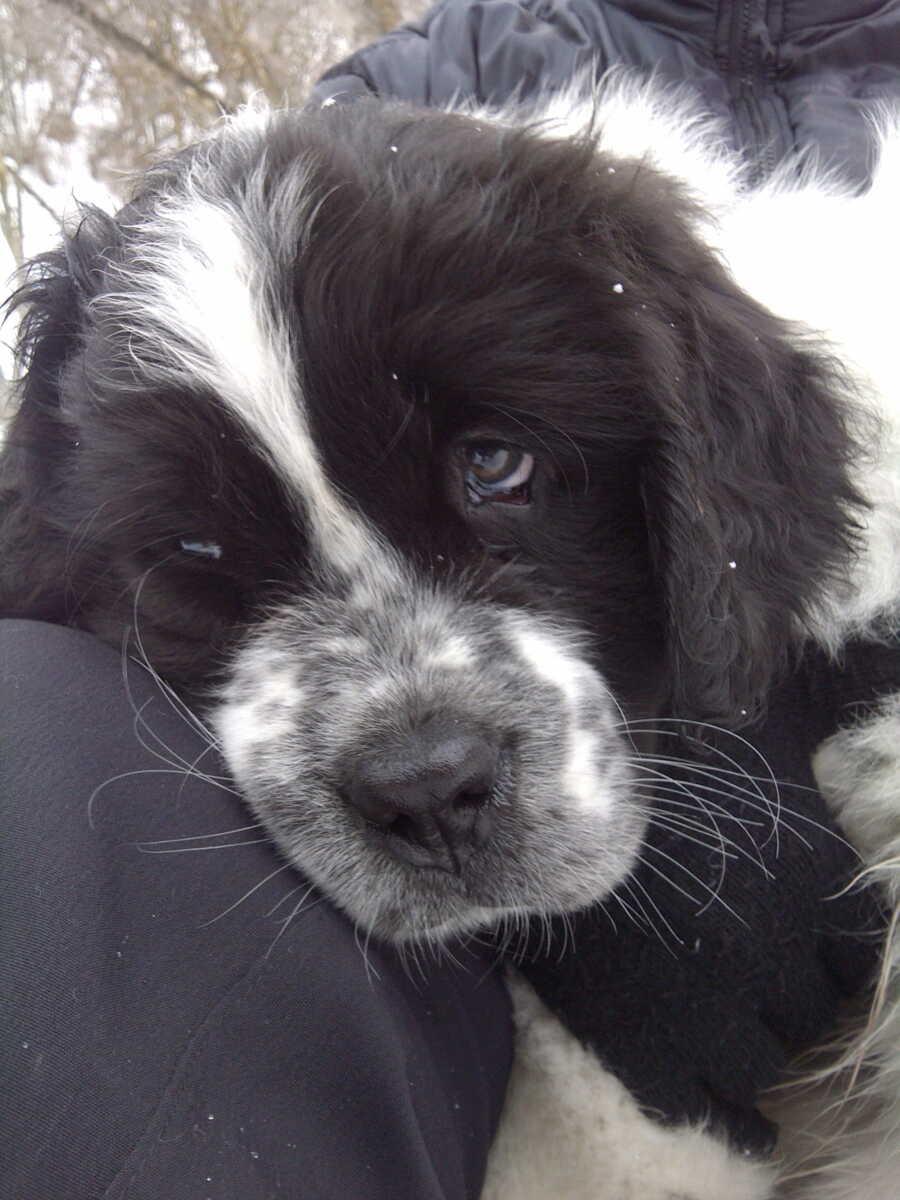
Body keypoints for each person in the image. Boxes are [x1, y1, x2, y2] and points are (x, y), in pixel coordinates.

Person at [3, 3, 898, 1197]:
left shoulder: (686, 264)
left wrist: (756, 691)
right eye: (201, 549)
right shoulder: (434, 76)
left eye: (497, 470)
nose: (413, 744)